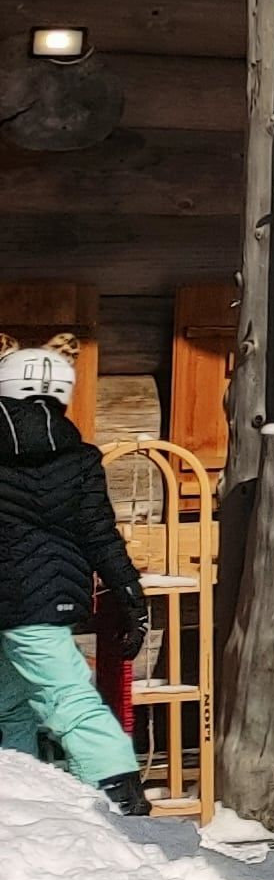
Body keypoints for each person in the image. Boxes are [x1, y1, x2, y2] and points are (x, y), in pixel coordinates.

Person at [0, 345, 153, 815]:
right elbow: (98, 532)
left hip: (13, 601)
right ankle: (21, 804)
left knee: (61, 697)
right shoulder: (80, 457)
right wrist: (130, 594)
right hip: (49, 601)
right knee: (15, 703)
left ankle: (121, 802)